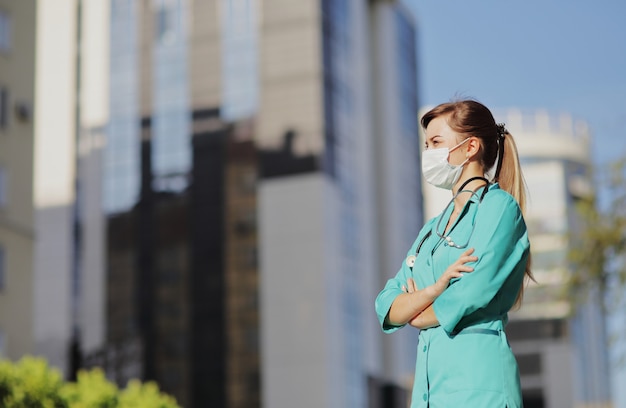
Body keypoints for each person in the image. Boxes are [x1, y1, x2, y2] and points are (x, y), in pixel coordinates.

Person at [375, 99, 532, 407]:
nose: (427, 153)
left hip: (478, 388)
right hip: (429, 394)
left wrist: (418, 312)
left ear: (470, 146)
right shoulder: (432, 229)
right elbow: (387, 303)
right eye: (426, 144)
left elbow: (472, 290)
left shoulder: (498, 209)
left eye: (436, 142)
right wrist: (434, 290)